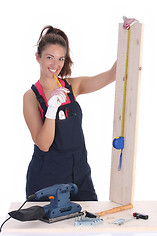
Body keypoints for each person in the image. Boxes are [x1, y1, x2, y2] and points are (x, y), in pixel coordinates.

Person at [23, 25, 116, 201]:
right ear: (38, 57)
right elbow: (43, 144)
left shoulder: (72, 87)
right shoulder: (31, 97)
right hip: (47, 179)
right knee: (51, 228)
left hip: (79, 176)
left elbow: (113, 74)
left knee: (89, 226)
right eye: (49, 57)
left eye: (60, 59)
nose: (55, 65)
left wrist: (127, 35)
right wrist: (51, 109)